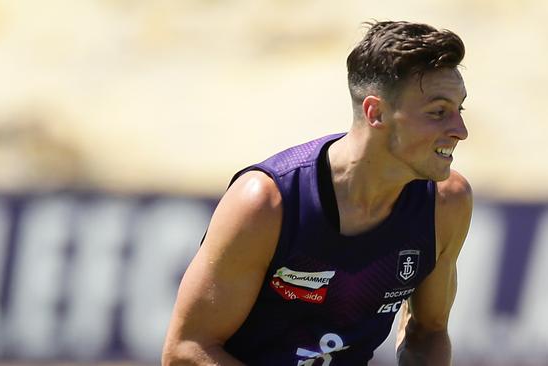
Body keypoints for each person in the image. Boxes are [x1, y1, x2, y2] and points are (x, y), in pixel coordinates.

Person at [162, 20, 472, 365]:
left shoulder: (446, 202)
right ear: (376, 112)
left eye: (460, 110)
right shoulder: (266, 203)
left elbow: (428, 333)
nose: (460, 130)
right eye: (438, 112)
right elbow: (185, 352)